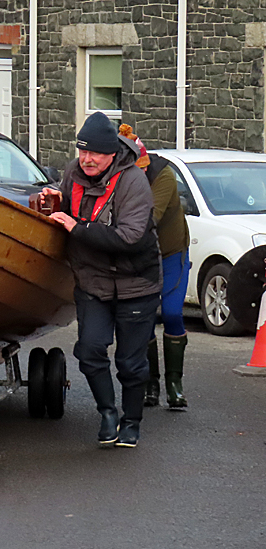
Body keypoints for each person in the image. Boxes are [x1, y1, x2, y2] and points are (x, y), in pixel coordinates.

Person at [40, 111, 162, 448]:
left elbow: (130, 238)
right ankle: (108, 413)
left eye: (94, 153)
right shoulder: (73, 172)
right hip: (92, 282)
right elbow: (66, 204)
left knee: (130, 362)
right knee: (90, 350)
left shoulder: (134, 181)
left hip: (137, 284)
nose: (87, 159)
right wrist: (53, 201)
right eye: (82, 151)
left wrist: (77, 229)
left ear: (112, 154)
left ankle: (132, 421)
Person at [118, 124, 190, 409]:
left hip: (171, 252)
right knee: (142, 317)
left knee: (172, 313)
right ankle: (151, 383)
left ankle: (175, 383)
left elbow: (149, 217)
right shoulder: (114, 178)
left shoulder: (163, 176)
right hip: (138, 256)